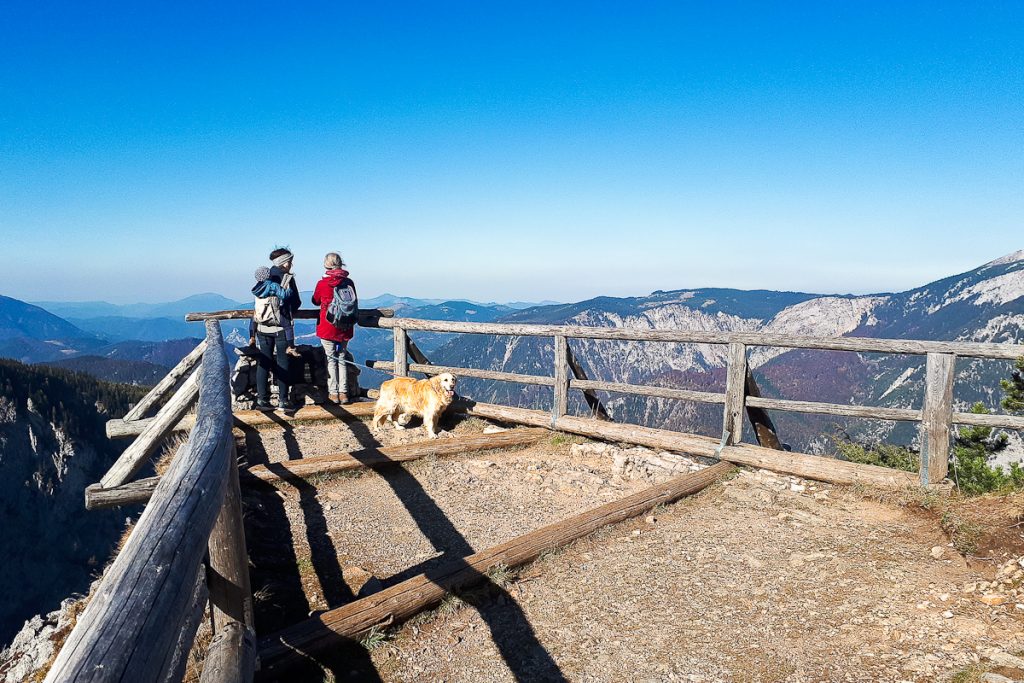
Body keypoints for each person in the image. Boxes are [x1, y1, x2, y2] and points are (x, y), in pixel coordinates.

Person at [252, 248, 302, 412]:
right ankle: (283, 401)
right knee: (283, 362)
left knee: (264, 362)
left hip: (262, 327)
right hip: (281, 327)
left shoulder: (262, 280)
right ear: (284, 262)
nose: (291, 264)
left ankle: (262, 400)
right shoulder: (286, 279)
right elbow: (296, 302)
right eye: (290, 261)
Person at [312, 252, 357, 403]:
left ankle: (333, 393)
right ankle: (344, 393)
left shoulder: (322, 283)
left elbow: (315, 300)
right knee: (342, 358)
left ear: (326, 265)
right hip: (345, 326)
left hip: (327, 326)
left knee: (331, 359)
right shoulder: (349, 282)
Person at [249, 266, 302, 358]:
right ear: (269, 275)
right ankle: (290, 346)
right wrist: (290, 290)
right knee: (288, 326)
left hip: (261, 317)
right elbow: (283, 295)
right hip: (274, 314)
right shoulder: (272, 285)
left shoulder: (257, 289)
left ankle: (252, 337)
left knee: (254, 317)